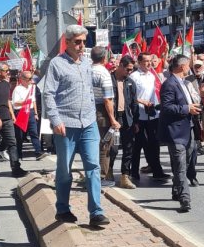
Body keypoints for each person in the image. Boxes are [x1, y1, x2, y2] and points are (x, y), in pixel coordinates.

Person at [44, 25, 110, 227]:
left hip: (88, 123)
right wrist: (56, 121)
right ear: (68, 41)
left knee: (93, 166)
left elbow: (90, 90)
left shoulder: (86, 64)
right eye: (78, 42)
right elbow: (48, 94)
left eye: (84, 42)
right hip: (67, 124)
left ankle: (96, 212)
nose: (82, 46)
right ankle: (63, 209)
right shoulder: (57, 64)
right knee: (64, 169)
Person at [158, 55, 201, 213]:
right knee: (180, 166)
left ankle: (176, 190)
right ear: (182, 66)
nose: (189, 67)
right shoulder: (169, 84)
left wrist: (193, 108)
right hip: (175, 132)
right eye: (188, 64)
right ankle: (185, 199)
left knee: (186, 162)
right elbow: (166, 108)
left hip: (188, 129)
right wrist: (186, 109)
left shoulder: (184, 83)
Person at [128, 53, 170, 182]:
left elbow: (153, 94)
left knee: (154, 144)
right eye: (145, 61)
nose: (148, 63)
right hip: (139, 115)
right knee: (138, 145)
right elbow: (130, 97)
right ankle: (133, 172)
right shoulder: (133, 77)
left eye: (150, 61)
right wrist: (142, 102)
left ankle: (157, 170)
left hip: (152, 115)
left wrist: (156, 107)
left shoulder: (152, 76)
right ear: (139, 62)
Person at [91, 46, 120, 188]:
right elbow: (107, 99)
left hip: (89, 111)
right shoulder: (103, 73)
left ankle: (93, 176)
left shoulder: (86, 70)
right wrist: (113, 119)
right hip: (102, 113)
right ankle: (101, 178)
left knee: (92, 144)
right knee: (105, 145)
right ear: (104, 58)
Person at [112, 56, 137, 189]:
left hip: (127, 120)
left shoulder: (130, 83)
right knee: (113, 148)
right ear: (120, 65)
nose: (129, 72)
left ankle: (124, 176)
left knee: (128, 148)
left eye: (131, 70)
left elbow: (134, 103)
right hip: (113, 120)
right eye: (128, 69)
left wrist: (136, 122)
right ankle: (108, 172)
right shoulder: (109, 80)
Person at [12, 69, 46, 161]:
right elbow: (15, 103)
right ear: (22, 79)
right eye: (28, 79)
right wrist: (26, 102)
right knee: (19, 136)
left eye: (31, 78)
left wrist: (35, 113)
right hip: (20, 112)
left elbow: (33, 100)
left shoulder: (32, 87)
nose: (31, 81)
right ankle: (18, 154)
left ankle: (38, 152)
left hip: (30, 112)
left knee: (34, 133)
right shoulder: (17, 89)